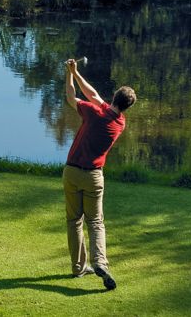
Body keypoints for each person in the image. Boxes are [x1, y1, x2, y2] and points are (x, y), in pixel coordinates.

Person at [62, 58, 136, 291]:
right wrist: (77, 72)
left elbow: (72, 97)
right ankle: (100, 263)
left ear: (113, 97)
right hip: (94, 176)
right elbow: (93, 94)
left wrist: (68, 75)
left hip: (72, 172)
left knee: (75, 221)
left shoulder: (93, 113)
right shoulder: (119, 122)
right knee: (95, 222)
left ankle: (78, 267)